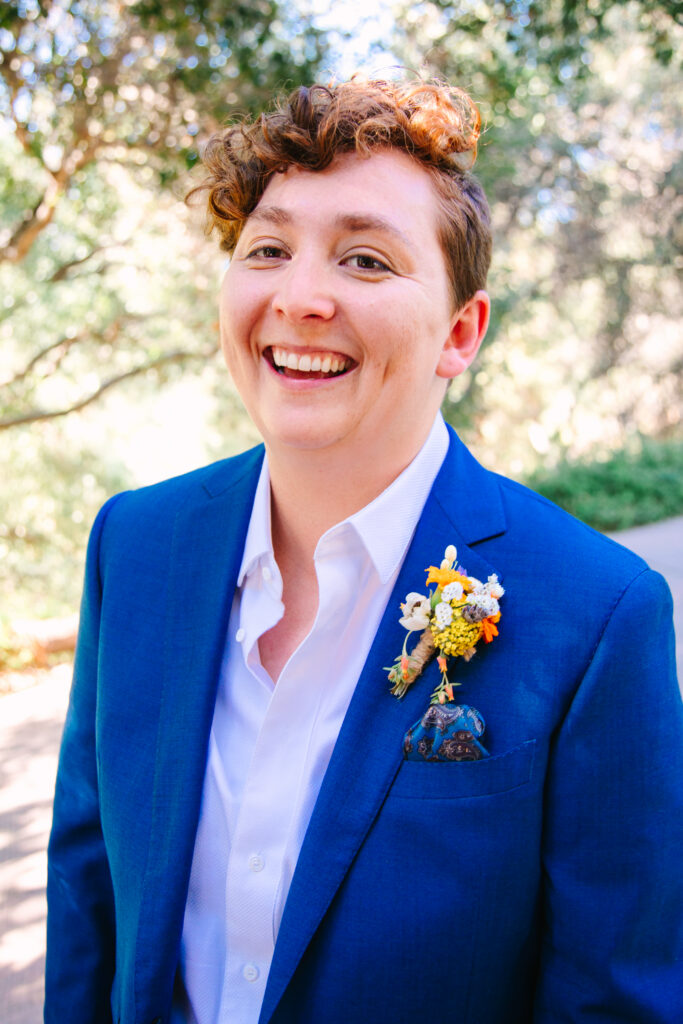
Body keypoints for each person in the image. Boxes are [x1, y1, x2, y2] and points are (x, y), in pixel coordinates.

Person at [45, 78, 682, 1024]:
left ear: (460, 333)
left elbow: (612, 1001)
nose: (299, 297)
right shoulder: (133, 546)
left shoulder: (597, 613)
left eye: (365, 260)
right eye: (268, 250)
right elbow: (87, 889)